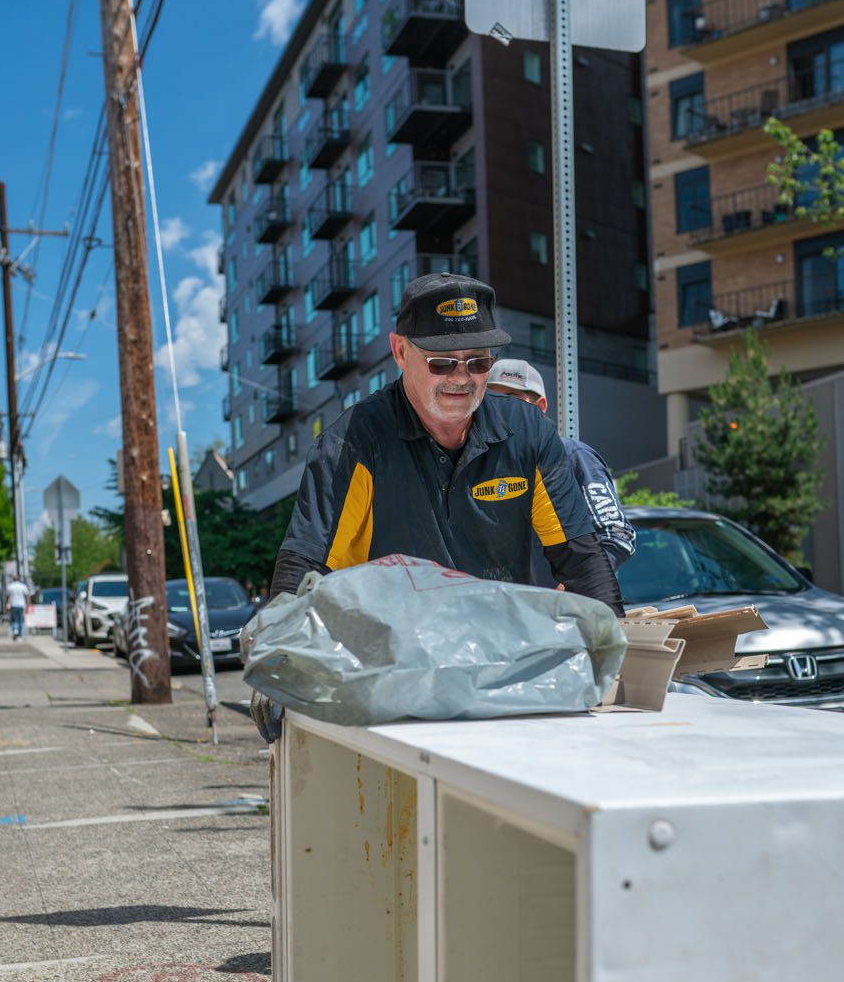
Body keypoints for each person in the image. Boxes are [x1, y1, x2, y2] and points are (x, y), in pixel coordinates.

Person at [250, 272, 624, 740]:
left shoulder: (528, 435)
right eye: (442, 362)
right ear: (400, 352)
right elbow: (309, 559)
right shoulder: (356, 441)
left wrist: (620, 651)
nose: (461, 378)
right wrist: (279, 658)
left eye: (478, 362)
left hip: (501, 668)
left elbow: (581, 556)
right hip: (391, 677)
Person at [485, 357, 637, 584]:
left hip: (569, 606)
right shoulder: (486, 466)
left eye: (511, 399)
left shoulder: (573, 456)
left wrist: (577, 586)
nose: (499, 409)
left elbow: (616, 534)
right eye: (491, 399)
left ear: (540, 406)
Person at [5, 574, 30, 641]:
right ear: (19, 578)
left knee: (13, 620)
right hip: (21, 605)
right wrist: (27, 606)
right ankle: (20, 636)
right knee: (20, 620)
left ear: (13, 579)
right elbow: (26, 597)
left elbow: (7, 597)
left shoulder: (10, 586)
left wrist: (6, 605)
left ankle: (15, 630)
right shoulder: (23, 586)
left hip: (13, 605)